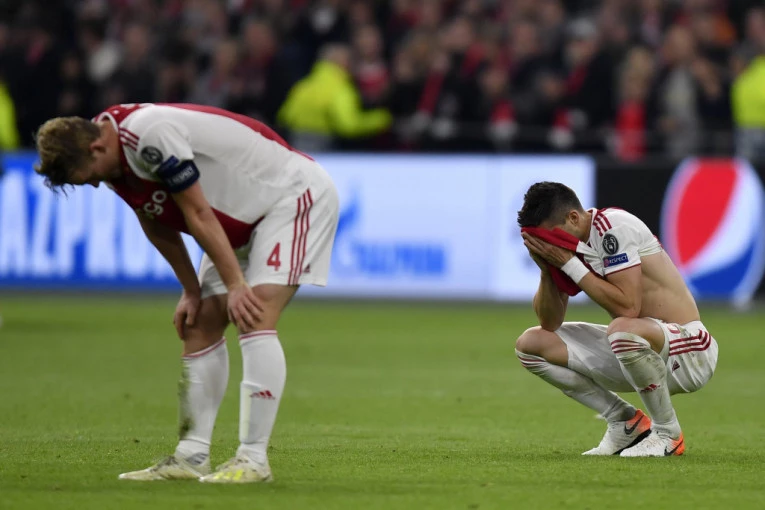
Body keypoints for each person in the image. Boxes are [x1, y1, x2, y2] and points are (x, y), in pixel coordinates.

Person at [34, 103, 339, 482]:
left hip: (290, 197)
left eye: (90, 177)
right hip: (241, 220)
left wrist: (235, 285)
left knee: (254, 311)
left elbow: (196, 213)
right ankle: (191, 457)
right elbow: (153, 218)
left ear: (96, 148)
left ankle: (253, 460)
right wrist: (191, 290)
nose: (95, 184)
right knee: (199, 323)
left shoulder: (148, 135)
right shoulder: (109, 154)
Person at [515, 182, 718, 457]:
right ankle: (624, 422)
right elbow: (550, 323)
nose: (551, 246)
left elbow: (629, 307)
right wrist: (546, 270)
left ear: (573, 218)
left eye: (551, 237)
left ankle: (667, 434)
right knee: (531, 344)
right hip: (637, 350)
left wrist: (569, 264)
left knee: (621, 329)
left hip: (689, 349)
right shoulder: (568, 249)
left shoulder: (613, 227)